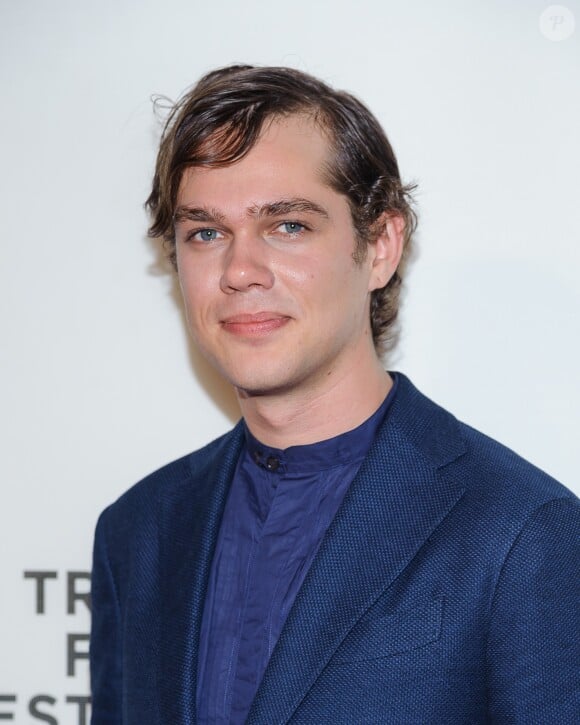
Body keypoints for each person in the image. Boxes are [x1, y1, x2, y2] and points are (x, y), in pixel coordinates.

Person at [90, 65, 579, 724]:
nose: (238, 270)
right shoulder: (138, 532)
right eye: (206, 232)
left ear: (380, 245)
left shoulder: (521, 532)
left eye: (287, 225)